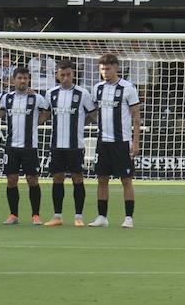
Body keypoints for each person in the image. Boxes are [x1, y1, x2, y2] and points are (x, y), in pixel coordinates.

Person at [83, 51, 141, 228]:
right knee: (101, 179)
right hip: (103, 142)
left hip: (121, 142)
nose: (105, 72)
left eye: (107, 69)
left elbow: (136, 116)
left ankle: (128, 217)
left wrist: (136, 142)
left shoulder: (127, 88)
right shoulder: (97, 88)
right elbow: (93, 113)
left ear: (116, 68)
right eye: (102, 69)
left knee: (126, 179)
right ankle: (102, 217)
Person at [0, 65, 47, 225]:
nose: (22, 81)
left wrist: (37, 122)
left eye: (25, 78)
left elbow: (47, 111)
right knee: (11, 180)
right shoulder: (7, 98)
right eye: (19, 78)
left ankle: (36, 215)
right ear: (14, 80)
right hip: (11, 146)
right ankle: (13, 215)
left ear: (29, 80)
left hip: (30, 147)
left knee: (32, 180)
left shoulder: (37, 98)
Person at [45, 60, 90, 226]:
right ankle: (57, 216)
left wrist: (79, 124)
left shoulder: (82, 93)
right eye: (62, 75)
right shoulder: (51, 93)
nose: (65, 78)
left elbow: (92, 113)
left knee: (77, 178)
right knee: (57, 178)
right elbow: (46, 114)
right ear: (57, 75)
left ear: (73, 74)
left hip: (75, 145)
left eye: (68, 74)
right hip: (56, 145)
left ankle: (79, 217)